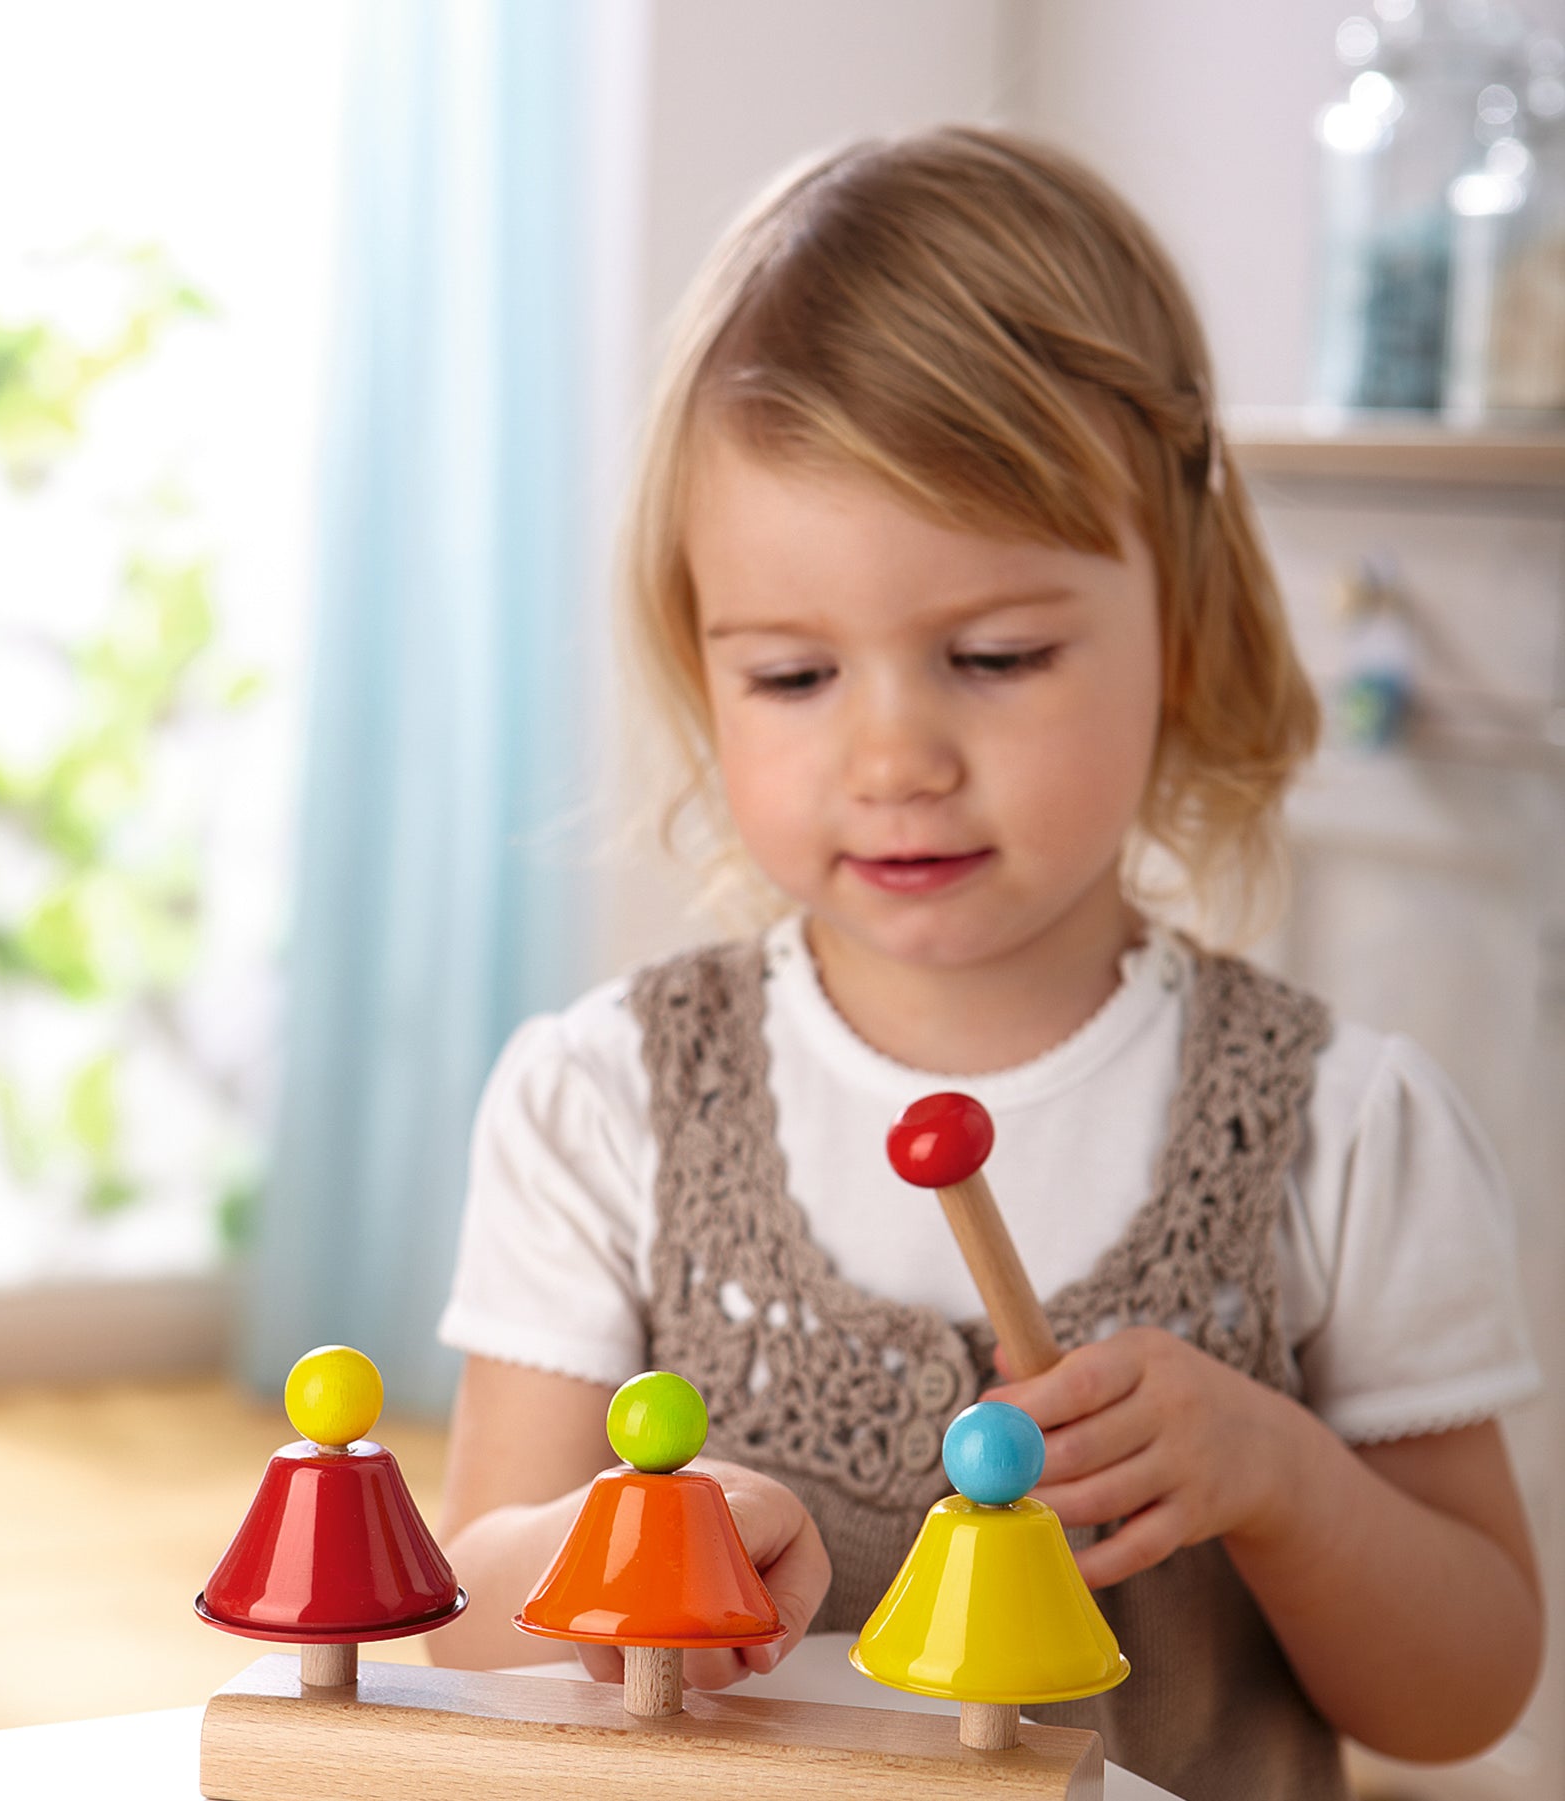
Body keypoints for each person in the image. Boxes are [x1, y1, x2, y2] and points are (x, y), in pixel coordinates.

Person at [426, 128, 1544, 1800]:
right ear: (698, 657)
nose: (893, 755)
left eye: (996, 654)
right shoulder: (599, 1099)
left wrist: (1285, 1480)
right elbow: (462, 1627)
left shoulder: (1341, 1128)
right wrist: (634, 1550)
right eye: (793, 676)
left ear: (1184, 618)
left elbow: (1458, 1697)